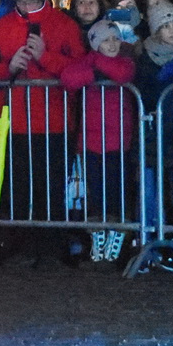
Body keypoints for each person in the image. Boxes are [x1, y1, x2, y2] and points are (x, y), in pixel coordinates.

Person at [0, 0, 87, 262]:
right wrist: (9, 68)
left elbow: (79, 69)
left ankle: (52, 247)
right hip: (15, 121)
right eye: (20, 1)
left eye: (30, 0)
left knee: (52, 188)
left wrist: (45, 57)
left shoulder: (63, 24)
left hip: (55, 120)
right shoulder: (2, 26)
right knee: (18, 187)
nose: (25, 6)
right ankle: (20, 246)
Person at [59, 18, 137, 265]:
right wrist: (96, 69)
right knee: (96, 194)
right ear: (95, 44)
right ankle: (98, 238)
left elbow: (123, 73)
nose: (112, 44)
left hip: (117, 142)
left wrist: (95, 65)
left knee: (115, 193)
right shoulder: (88, 63)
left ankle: (116, 239)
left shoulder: (123, 61)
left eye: (115, 38)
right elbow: (68, 78)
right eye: (106, 40)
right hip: (92, 141)